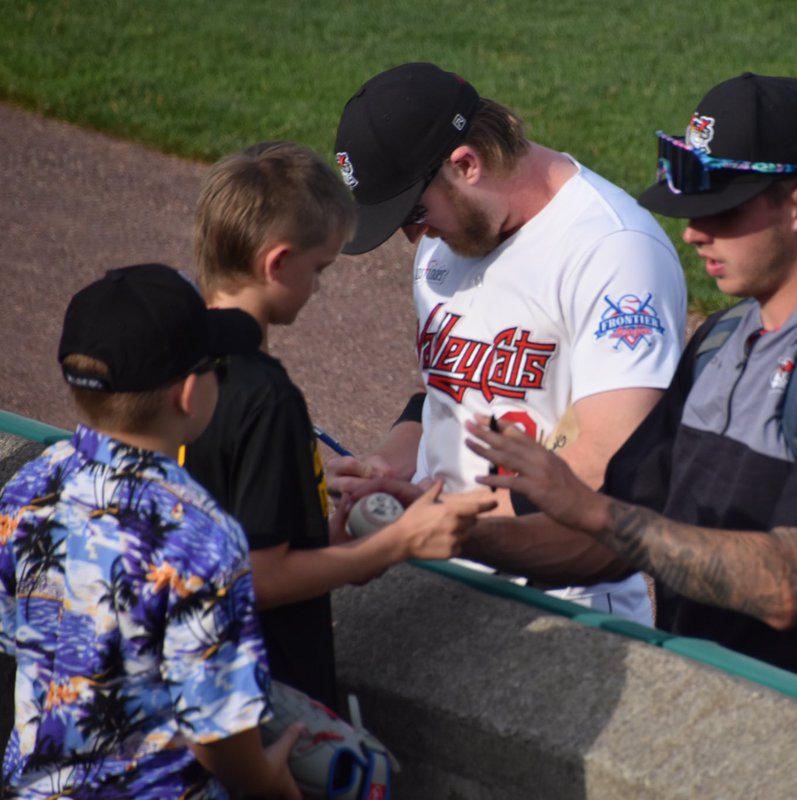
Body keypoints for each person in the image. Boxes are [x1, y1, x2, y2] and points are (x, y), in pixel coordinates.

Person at [462, 73, 797, 682]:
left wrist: (593, 512)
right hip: (715, 705)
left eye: (721, 210)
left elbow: (789, 583)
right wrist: (449, 536)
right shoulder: (722, 341)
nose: (693, 232)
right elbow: (611, 544)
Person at [328, 63, 687, 624]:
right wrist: (392, 467)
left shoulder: (613, 251)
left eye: (414, 213)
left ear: (466, 164)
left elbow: (611, 463)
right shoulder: (452, 233)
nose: (413, 236)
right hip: (440, 563)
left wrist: (440, 514)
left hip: (558, 598)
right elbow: (447, 390)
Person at [183, 141, 495, 708]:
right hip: (258, 695)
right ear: (277, 263)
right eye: (318, 269)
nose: (319, 287)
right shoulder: (263, 396)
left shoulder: (175, 365)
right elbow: (262, 578)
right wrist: (392, 546)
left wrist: (337, 539)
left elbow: (234, 549)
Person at [0, 263, 302, 797]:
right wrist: (273, 785)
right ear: (188, 394)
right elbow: (217, 734)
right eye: (219, 368)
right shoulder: (201, 536)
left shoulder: (28, 486)